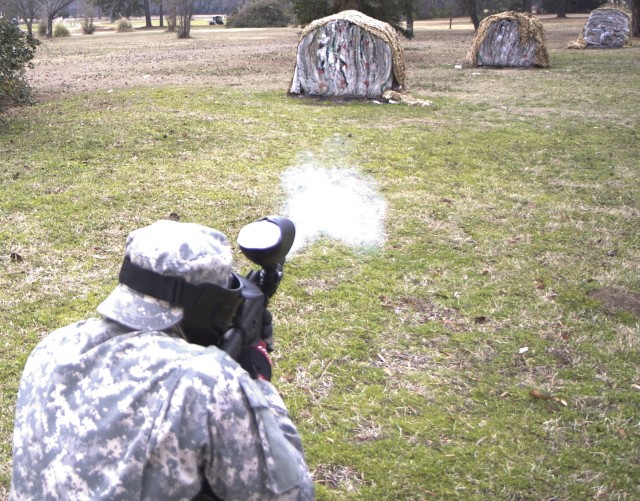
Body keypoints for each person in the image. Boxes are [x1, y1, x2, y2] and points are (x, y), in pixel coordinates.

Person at [10, 220, 314, 500]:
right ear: (212, 305)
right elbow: (291, 493)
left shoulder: (52, 347)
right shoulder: (207, 381)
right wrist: (255, 378)